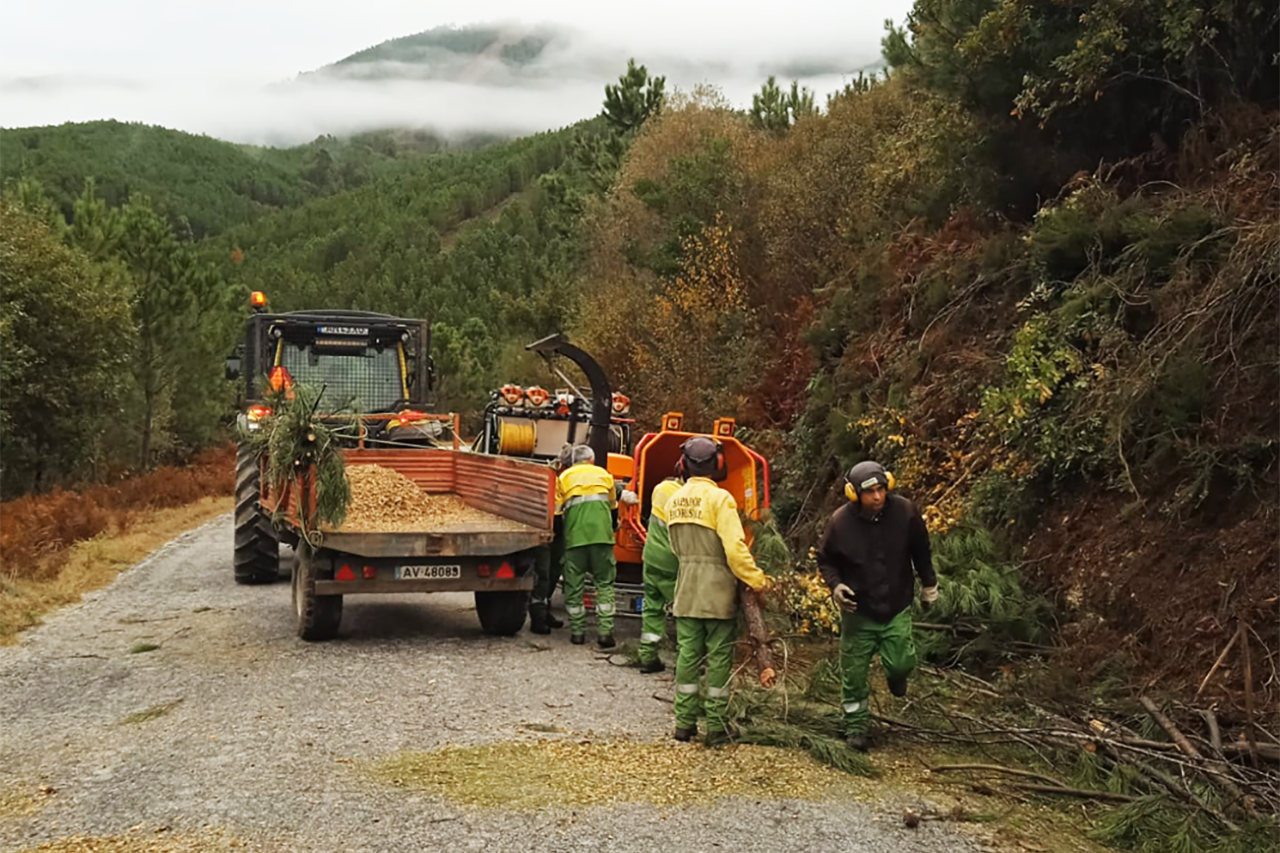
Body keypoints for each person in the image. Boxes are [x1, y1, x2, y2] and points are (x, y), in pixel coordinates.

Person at [816, 460, 938, 752]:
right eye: (870, 492)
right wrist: (836, 586)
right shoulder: (840, 522)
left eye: (881, 489)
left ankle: (897, 678)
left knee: (901, 662)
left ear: (889, 486)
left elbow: (921, 550)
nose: (877, 497)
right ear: (854, 493)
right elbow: (826, 559)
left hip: (896, 604)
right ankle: (856, 727)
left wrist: (929, 585)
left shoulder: (905, 512)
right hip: (859, 611)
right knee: (854, 674)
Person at [666, 436, 770, 746]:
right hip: (718, 592)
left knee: (687, 657)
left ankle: (683, 724)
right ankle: (716, 725)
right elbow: (735, 550)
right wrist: (757, 579)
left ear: (684, 466)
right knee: (718, 659)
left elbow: (675, 549)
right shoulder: (720, 500)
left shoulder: (674, 500)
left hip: (686, 591)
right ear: (718, 466)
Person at [556, 444, 619, 648]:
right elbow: (613, 509)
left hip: (575, 539)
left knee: (574, 585)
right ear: (591, 460)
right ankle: (605, 633)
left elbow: (557, 514)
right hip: (602, 537)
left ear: (573, 461)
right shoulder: (604, 475)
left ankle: (577, 633)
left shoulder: (564, 478)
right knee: (604, 584)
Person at [637, 474, 683, 673]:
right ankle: (686, 661)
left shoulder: (660, 489)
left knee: (652, 608)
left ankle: (647, 656)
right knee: (684, 612)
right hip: (672, 561)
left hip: (652, 556)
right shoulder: (690, 497)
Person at [529, 445, 572, 635]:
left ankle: (544, 612)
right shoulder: (548, 476)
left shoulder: (565, 477)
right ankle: (537, 618)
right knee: (543, 574)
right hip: (545, 530)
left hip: (558, 532)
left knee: (554, 571)